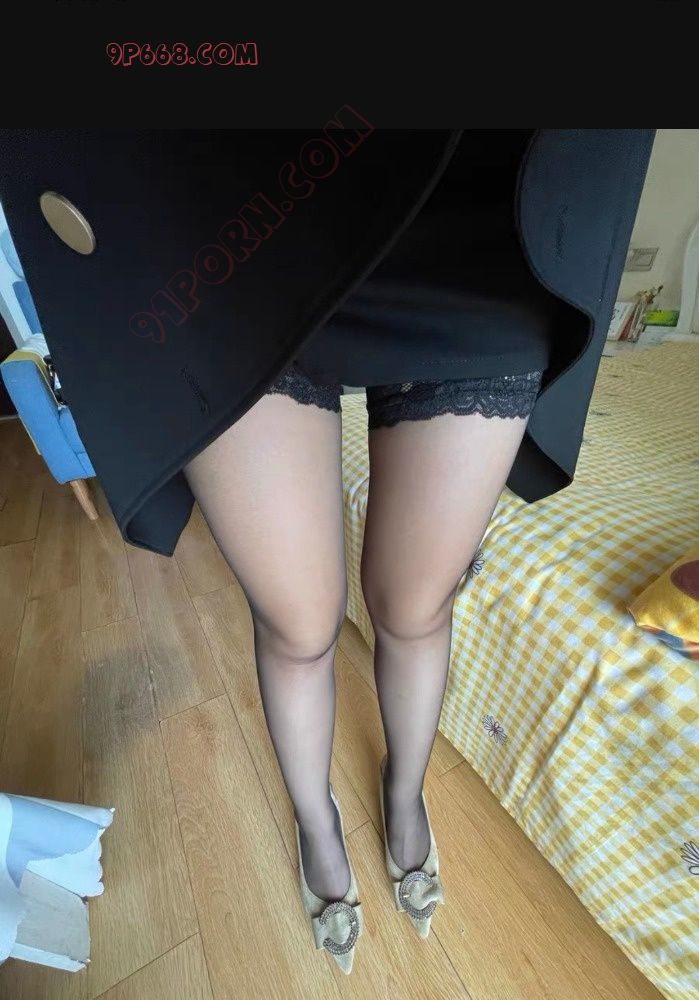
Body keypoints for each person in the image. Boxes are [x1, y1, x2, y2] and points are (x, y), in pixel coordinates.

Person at [0, 127, 655, 974]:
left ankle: (404, 795)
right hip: (233, 221)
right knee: (299, 626)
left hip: (478, 224)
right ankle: (317, 823)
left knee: (416, 607)